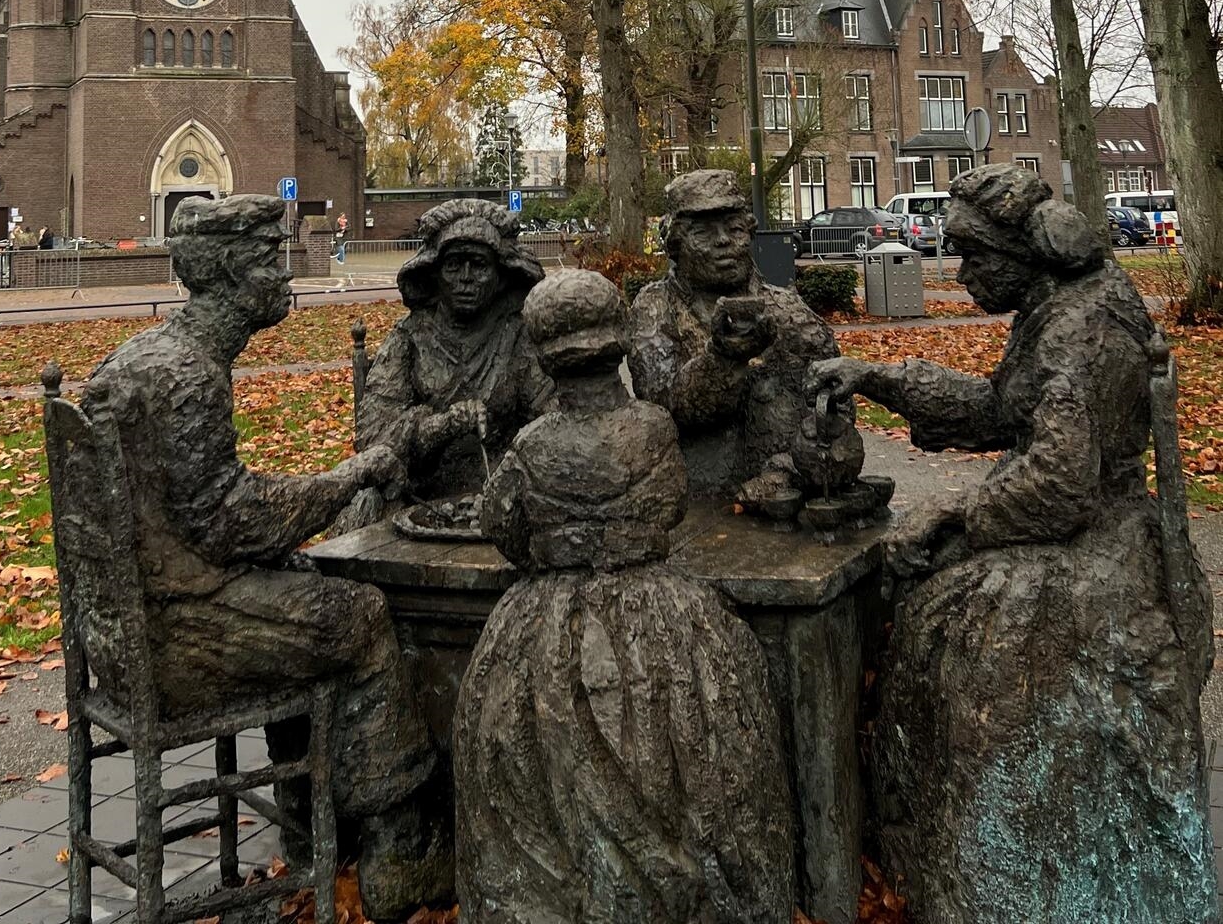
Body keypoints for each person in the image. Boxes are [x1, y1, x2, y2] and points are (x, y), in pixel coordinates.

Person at [808, 164, 1216, 924]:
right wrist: (880, 378)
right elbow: (1001, 410)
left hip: (1096, 545)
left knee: (961, 631)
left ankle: (994, 872)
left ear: (1022, 253)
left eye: (973, 256)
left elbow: (1060, 482)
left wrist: (958, 513)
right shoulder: (1055, 308)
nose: (961, 273)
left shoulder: (1081, 329)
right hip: (1074, 522)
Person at [81, 194, 452, 922]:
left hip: (119, 634)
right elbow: (233, 522)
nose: (284, 275)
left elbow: (204, 512)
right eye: (266, 259)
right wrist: (347, 478)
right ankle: (399, 849)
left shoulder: (142, 356)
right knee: (358, 617)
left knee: (307, 585)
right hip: (172, 643)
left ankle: (311, 828)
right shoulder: (187, 375)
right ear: (227, 273)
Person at [454, 269, 795, 923]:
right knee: (687, 739)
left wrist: (554, 544)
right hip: (659, 611)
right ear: (617, 345)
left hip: (545, 619)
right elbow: (669, 507)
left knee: (526, 750)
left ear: (544, 356)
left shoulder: (532, 445)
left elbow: (502, 525)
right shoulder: (654, 428)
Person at [630, 168, 874, 518]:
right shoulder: (655, 308)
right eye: (703, 232)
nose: (723, 241)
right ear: (675, 244)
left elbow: (836, 406)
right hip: (692, 504)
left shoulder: (788, 311)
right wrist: (722, 359)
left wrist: (790, 469)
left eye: (734, 229)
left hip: (790, 500)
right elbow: (662, 407)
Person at [352, 198, 552, 509]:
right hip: (419, 497)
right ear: (434, 272)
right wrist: (441, 426)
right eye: (454, 265)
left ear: (501, 276)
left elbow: (552, 419)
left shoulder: (518, 335)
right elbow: (373, 435)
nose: (466, 277)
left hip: (505, 494)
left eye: (479, 265)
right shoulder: (410, 336)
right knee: (365, 505)